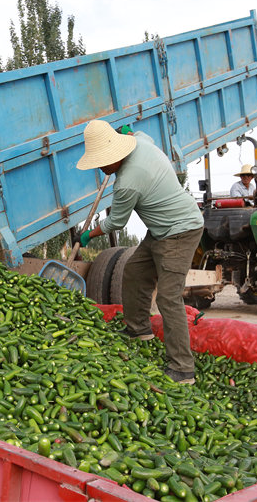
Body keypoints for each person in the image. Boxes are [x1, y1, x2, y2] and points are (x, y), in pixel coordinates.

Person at [74, 120, 204, 384]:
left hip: (180, 231)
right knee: (134, 271)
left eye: (102, 163)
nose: (101, 169)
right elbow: (140, 133)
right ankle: (138, 330)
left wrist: (88, 234)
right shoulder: (141, 142)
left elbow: (115, 223)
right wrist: (125, 133)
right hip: (159, 230)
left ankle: (182, 368)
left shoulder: (127, 183)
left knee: (168, 298)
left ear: (114, 156)